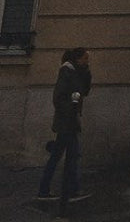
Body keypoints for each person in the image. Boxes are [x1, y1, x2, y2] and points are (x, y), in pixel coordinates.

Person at [38, 48, 91, 203]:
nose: (87, 61)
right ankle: (71, 190)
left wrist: (86, 72)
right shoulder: (67, 71)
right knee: (72, 155)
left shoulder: (76, 72)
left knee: (60, 156)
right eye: (85, 58)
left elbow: (84, 91)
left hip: (69, 122)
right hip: (66, 122)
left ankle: (46, 189)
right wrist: (71, 110)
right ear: (77, 58)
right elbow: (59, 97)